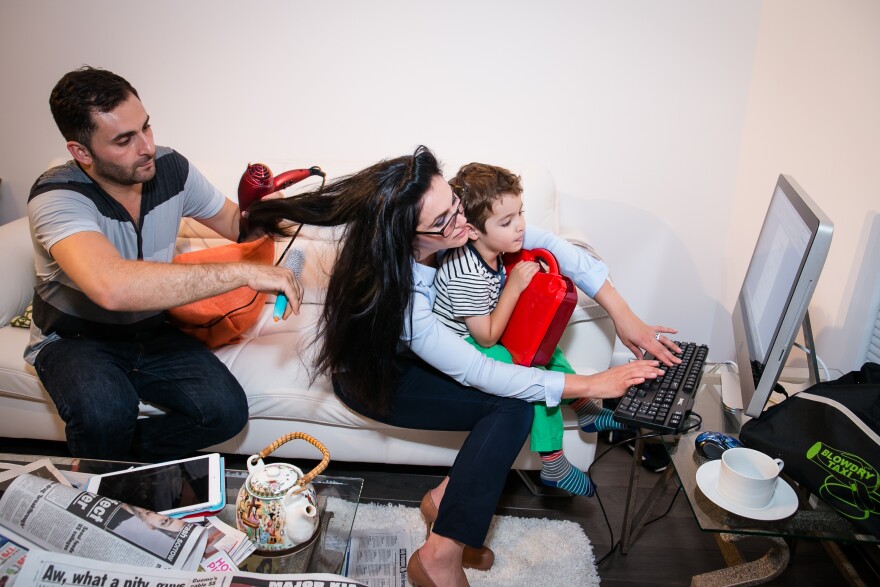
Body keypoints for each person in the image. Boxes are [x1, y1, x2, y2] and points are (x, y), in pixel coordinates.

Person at [246, 146, 677, 587]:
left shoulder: (463, 228)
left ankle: (442, 505)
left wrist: (625, 316)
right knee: (511, 403)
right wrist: (593, 382)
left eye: (453, 203)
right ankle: (438, 557)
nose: (463, 222)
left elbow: (554, 247)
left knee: (513, 405)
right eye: (444, 222)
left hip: (424, 358)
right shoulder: (405, 296)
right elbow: (480, 371)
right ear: (408, 239)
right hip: (378, 379)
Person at [25, 66, 303, 463]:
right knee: (105, 412)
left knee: (224, 413)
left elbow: (235, 226)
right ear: (81, 153)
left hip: (152, 332)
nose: (147, 147)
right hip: (76, 341)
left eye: (146, 128)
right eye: (124, 140)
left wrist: (283, 206)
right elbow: (112, 286)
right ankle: (101, 483)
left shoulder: (171, 169)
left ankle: (118, 461)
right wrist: (245, 272)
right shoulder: (57, 197)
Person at [434, 162, 628, 497]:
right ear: (475, 231)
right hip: (462, 342)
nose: (521, 226)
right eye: (507, 222)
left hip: (487, 324)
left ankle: (585, 408)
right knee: (525, 370)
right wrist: (514, 288)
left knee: (544, 346)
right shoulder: (464, 269)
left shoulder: (499, 249)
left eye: (520, 213)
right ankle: (553, 462)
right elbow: (485, 337)